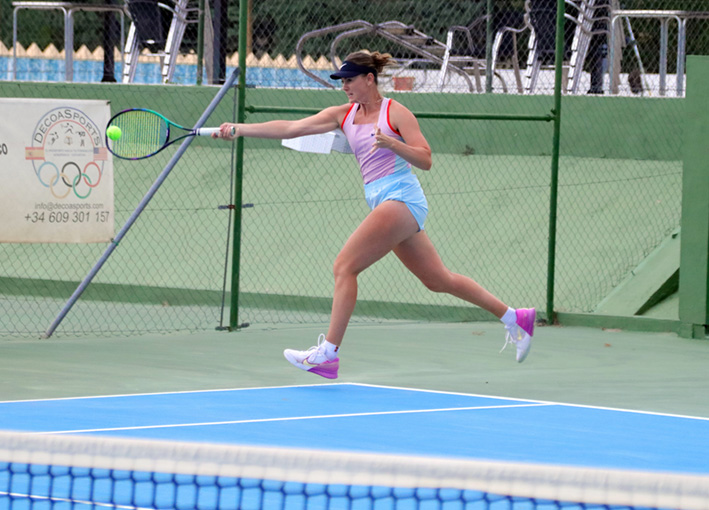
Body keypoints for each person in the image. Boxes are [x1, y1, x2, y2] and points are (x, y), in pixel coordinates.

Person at [214, 50, 536, 379]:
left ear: (369, 79)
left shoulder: (396, 112)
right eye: (341, 81)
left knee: (344, 266)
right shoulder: (343, 114)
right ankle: (515, 317)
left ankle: (328, 355)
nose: (344, 87)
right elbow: (292, 128)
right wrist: (239, 129)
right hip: (382, 200)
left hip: (401, 197)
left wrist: (393, 144)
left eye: (349, 80)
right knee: (438, 280)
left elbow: (425, 159)